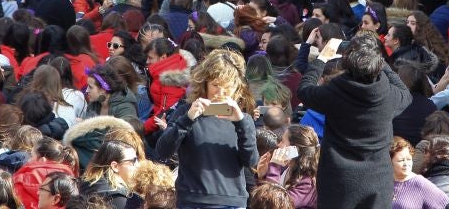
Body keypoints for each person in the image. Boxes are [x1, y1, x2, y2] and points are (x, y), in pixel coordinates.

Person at [297, 32, 411, 208]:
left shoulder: (334, 92)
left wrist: (322, 59)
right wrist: (379, 61)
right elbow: (405, 93)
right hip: (378, 180)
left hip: (338, 180)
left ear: (347, 63)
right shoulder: (388, 95)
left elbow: (304, 90)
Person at [155, 49, 258, 209]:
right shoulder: (186, 112)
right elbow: (163, 151)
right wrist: (187, 119)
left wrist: (241, 123)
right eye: (215, 85)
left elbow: (250, 161)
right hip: (192, 200)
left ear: (237, 87)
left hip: (232, 201)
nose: (221, 92)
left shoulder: (243, 119)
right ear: (204, 83)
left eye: (227, 86)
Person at [263, 124, 319, 209]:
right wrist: (262, 176)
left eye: (283, 141)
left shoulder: (308, 181)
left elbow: (275, 204)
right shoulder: (287, 168)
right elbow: (262, 201)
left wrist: (274, 168)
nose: (279, 145)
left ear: (294, 150)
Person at [79, 140, 141, 209]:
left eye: (137, 160)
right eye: (133, 161)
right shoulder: (119, 199)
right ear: (115, 166)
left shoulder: (86, 185)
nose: (138, 165)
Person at [389, 136, 448, 209]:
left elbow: (445, 205)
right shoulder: (384, 183)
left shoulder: (420, 183)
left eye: (408, 159)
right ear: (389, 162)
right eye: (401, 160)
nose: (406, 164)